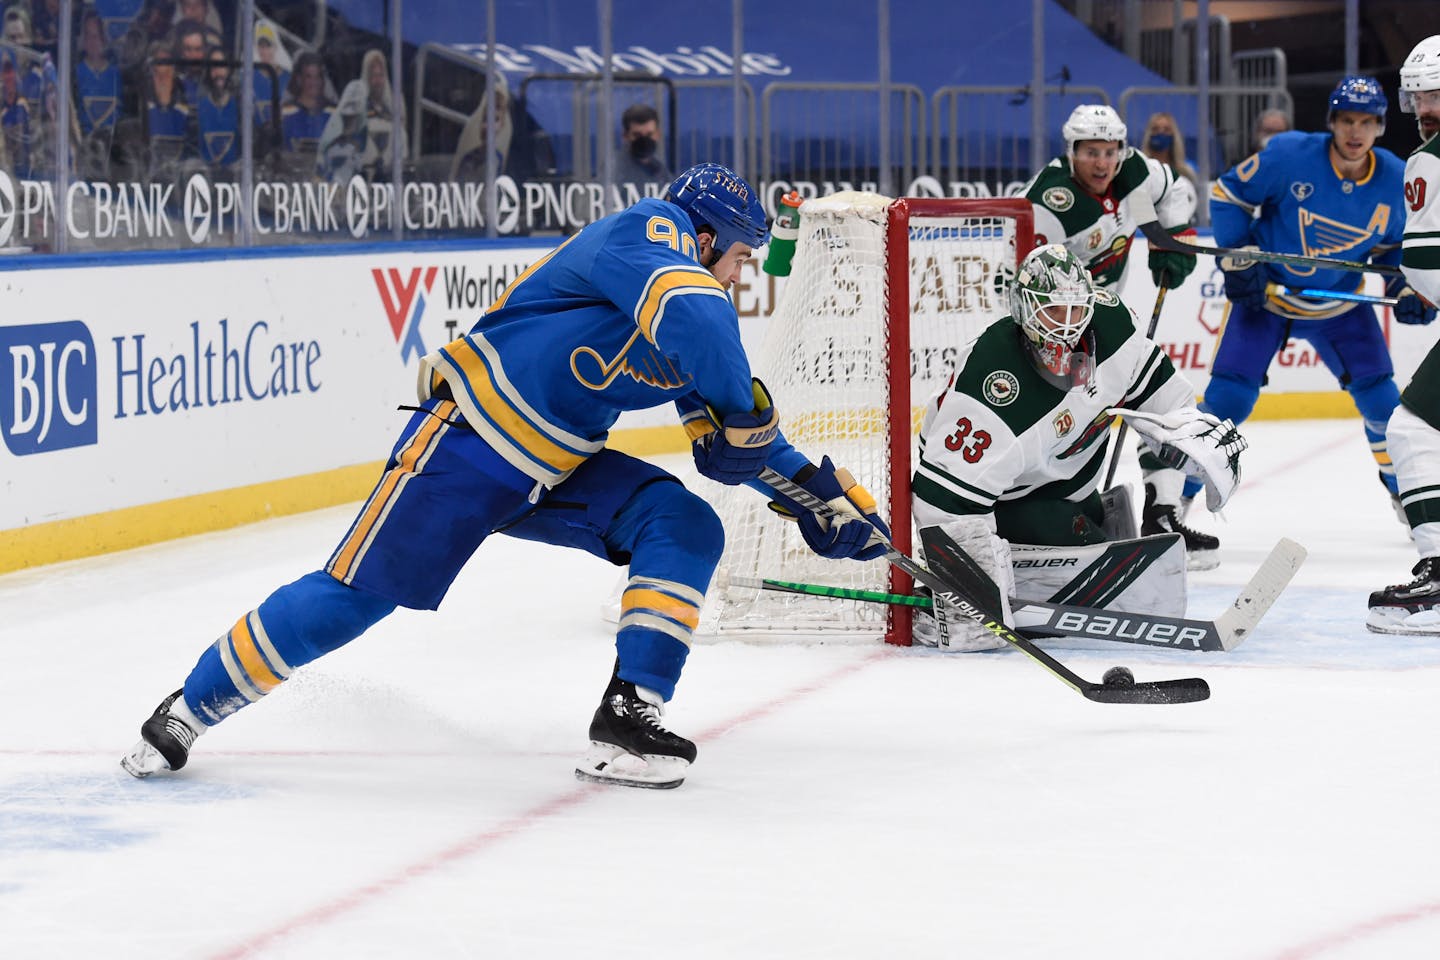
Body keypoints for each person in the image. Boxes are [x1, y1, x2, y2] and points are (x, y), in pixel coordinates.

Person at [119, 161, 891, 789]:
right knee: (352, 600)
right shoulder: (649, 231)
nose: (736, 277)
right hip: (467, 446)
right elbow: (700, 321)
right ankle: (189, 707)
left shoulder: (688, 314)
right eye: (738, 258)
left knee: (684, 523)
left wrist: (817, 500)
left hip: (554, 471)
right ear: (705, 235)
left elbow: (736, 439)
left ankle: (632, 710)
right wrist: (742, 418)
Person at [910, 244, 1245, 649]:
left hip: (1071, 490)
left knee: (1098, 533)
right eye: (1052, 311)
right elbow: (942, 502)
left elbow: (1168, 408)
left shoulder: (1113, 327)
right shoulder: (991, 389)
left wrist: (1164, 499)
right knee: (1118, 575)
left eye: (1075, 311)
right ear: (1023, 311)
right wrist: (969, 591)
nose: (1066, 328)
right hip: (1007, 505)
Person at [1205, 76, 1428, 522]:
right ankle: (1174, 504)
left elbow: (1395, 248)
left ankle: (1403, 496)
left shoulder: (1394, 178)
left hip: (1340, 309)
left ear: (1381, 126)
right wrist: (1240, 257)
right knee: (1228, 402)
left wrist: (1405, 286)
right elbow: (1225, 194)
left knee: (1385, 408)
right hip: (1267, 301)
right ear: (1331, 121)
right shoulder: (1290, 155)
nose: (1355, 131)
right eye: (1346, 119)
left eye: (1366, 122)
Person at [1020, 104, 1212, 567]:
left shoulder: (1134, 170)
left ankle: (1163, 513)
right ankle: (1052, 520)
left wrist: (1174, 237)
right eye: (1091, 153)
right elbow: (1022, 280)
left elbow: (1173, 192)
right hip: (1056, 331)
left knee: (1158, 400)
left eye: (1109, 152)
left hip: (1109, 319)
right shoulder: (1047, 203)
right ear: (1071, 153)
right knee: (1072, 426)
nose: (1103, 163)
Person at [1369, 37, 1440, 634]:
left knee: (1412, 429)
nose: (1423, 108)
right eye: (1417, 94)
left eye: (1433, 93)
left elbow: (1425, 265)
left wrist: (1418, 286)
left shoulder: (1430, 159)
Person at [318, 47, 405, 182]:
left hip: (388, 177)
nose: (377, 81)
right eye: (373, 76)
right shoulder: (358, 104)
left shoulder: (393, 106)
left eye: (380, 75)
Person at [279, 50, 331, 176]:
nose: (314, 83)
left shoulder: (333, 113)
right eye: (308, 76)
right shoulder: (284, 113)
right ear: (299, 79)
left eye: (317, 76)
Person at [196, 43, 236, 174]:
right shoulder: (199, 108)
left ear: (229, 70)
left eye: (222, 65)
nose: (218, 72)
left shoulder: (241, 108)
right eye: (213, 67)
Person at [613, 101, 671, 188]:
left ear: (658, 134)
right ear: (625, 136)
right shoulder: (613, 169)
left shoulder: (661, 170)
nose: (644, 140)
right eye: (637, 135)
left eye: (649, 134)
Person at [1140, 111, 1199, 193]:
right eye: (1155, 129)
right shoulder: (1139, 168)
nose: (1160, 133)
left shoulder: (1187, 171)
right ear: (1149, 134)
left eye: (1166, 130)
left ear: (1173, 135)